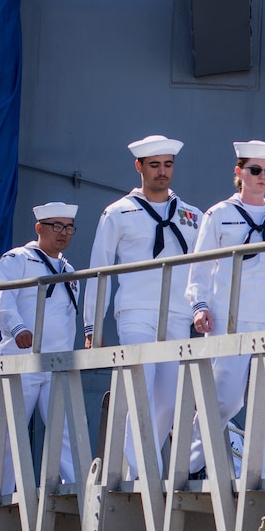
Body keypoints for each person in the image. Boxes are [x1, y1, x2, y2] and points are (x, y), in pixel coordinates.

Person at [82, 134, 202, 478]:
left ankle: (144, 466)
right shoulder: (119, 213)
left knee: (168, 397)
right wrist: (93, 326)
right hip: (136, 311)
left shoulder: (192, 215)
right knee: (139, 388)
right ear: (139, 167)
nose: (162, 172)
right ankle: (147, 472)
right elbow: (99, 270)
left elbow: (205, 269)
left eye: (167, 165)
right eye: (154, 166)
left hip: (178, 314)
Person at [185, 140, 265, 482]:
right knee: (225, 398)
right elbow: (199, 267)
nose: (262, 177)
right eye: (255, 170)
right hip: (231, 316)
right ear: (239, 172)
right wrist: (199, 304)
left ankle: (262, 476)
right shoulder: (219, 215)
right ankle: (193, 463)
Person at [0, 202, 80, 491]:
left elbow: (68, 320)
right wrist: (18, 329)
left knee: (65, 428)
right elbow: (4, 302)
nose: (63, 233)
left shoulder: (69, 270)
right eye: (57, 226)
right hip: (22, 357)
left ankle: (76, 489)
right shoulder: (17, 259)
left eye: (68, 227)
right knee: (9, 432)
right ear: (39, 228)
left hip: (56, 361)